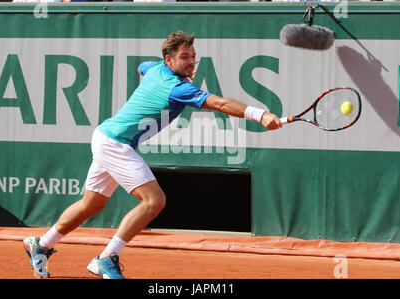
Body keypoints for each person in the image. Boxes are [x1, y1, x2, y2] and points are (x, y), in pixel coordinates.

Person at [23, 30, 282, 279]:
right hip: (115, 143)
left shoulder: (155, 68)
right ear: (169, 60)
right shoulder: (179, 89)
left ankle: (41, 244)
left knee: (92, 204)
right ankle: (106, 257)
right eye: (184, 57)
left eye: (193, 56)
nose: (191, 61)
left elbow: (143, 67)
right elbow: (222, 104)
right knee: (154, 201)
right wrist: (261, 115)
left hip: (105, 136)